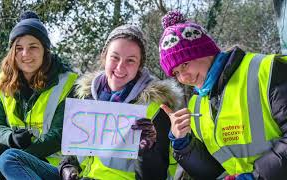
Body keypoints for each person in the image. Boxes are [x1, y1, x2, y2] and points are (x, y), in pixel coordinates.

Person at [158, 10, 287, 180]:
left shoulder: (267, 69)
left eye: (185, 64)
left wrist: (255, 177)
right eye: (176, 73)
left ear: (204, 51)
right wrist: (183, 144)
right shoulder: (197, 104)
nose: (183, 78)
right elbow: (213, 170)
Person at [59, 24, 184, 180]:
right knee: (18, 158)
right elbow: (73, 154)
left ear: (139, 66)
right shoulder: (86, 97)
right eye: (115, 57)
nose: (120, 67)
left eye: (130, 60)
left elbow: (156, 175)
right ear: (104, 57)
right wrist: (67, 167)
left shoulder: (155, 107)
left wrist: (148, 152)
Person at [0, 11, 78, 180]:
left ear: (45, 50)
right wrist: (11, 138)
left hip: (50, 164)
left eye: (33, 47)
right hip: (13, 154)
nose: (25, 54)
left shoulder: (68, 82)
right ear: (13, 52)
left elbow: (58, 136)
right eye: (19, 48)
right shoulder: (5, 80)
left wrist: (15, 154)